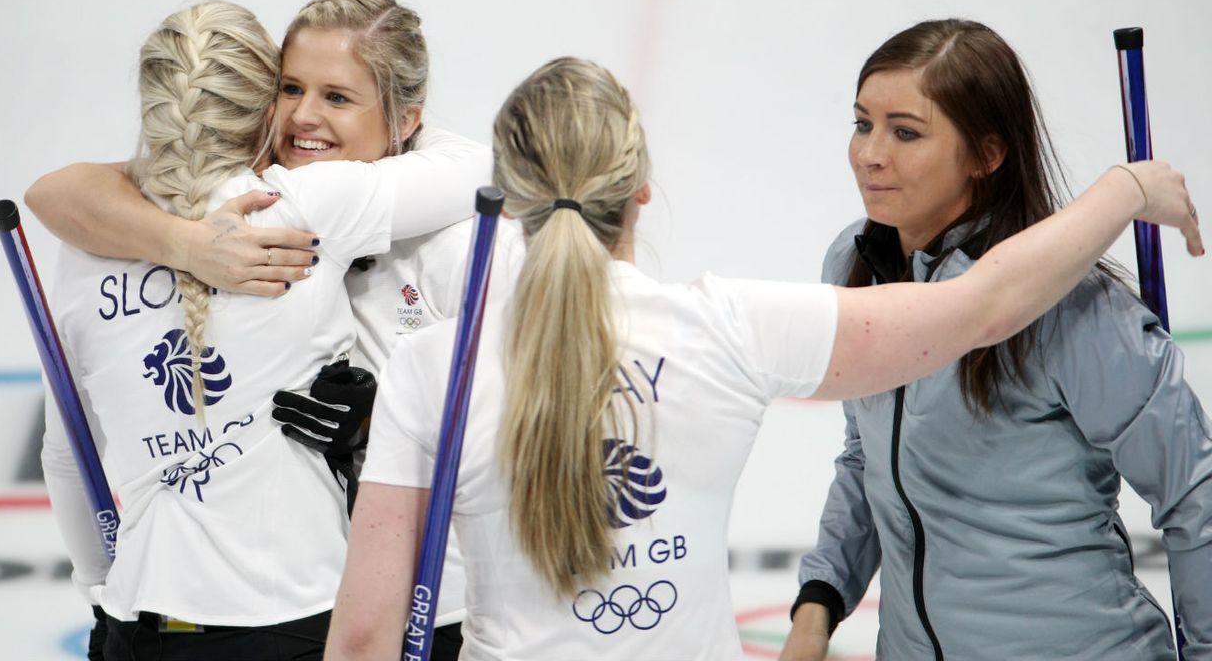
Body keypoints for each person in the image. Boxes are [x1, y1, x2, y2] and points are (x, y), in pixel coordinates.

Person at [321, 57, 1201, 661]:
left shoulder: (432, 365)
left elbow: (364, 639)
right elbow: (982, 307)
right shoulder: (726, 328)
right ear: (641, 186)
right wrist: (1127, 190)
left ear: (508, 196)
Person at [28, 0, 515, 658]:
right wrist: (182, 243)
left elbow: (528, 426)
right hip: (314, 610)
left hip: (437, 603)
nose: (305, 117)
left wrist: (391, 424)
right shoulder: (296, 202)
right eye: (290, 88)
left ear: (405, 117)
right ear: (261, 100)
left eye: (338, 98)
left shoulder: (449, 238)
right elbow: (60, 192)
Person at [779, 19, 1212, 661]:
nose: (871, 153)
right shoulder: (855, 262)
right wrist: (818, 606)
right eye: (862, 123)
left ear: (987, 155)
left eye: (906, 132)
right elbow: (867, 458)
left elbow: (1195, 498)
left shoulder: (1076, 308)